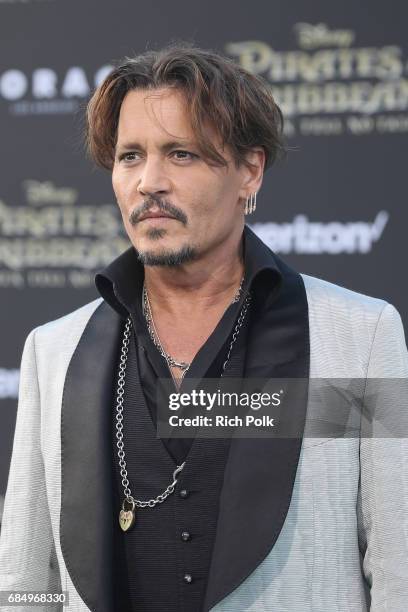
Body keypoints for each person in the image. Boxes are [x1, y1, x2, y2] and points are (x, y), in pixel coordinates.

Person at [0, 43, 407, 612]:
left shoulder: (358, 338)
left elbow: (398, 569)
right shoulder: (54, 350)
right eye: (130, 157)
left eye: (182, 154)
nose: (150, 182)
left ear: (249, 171)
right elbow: (24, 579)